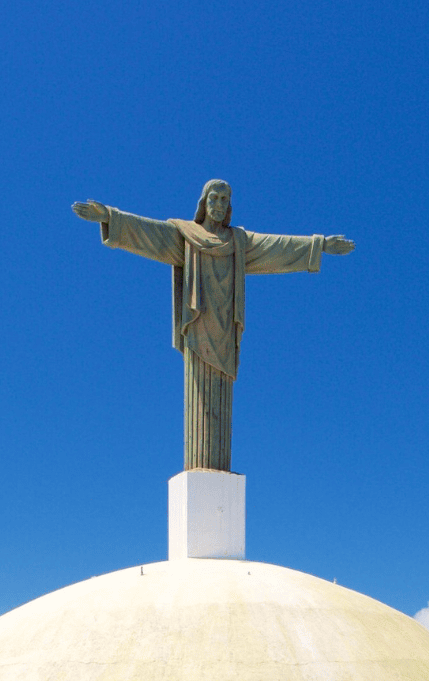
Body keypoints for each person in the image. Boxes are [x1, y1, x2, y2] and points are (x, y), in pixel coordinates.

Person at [72, 182, 354, 471]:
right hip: (197, 328)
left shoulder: (240, 242)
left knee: (222, 402)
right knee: (199, 402)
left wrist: (319, 245)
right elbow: (149, 233)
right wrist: (110, 216)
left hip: (225, 331)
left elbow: (277, 247)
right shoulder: (185, 234)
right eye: (214, 198)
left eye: (225, 199)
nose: (219, 204)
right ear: (203, 202)